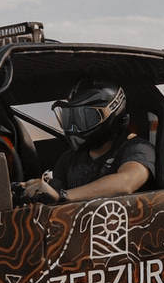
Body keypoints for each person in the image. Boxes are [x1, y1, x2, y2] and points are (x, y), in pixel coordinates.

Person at [20, 79, 154, 203]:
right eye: (71, 117)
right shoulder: (69, 159)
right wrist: (35, 189)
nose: (74, 127)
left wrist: (64, 195)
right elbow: (55, 189)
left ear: (112, 116)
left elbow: (126, 182)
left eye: (86, 118)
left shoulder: (138, 148)